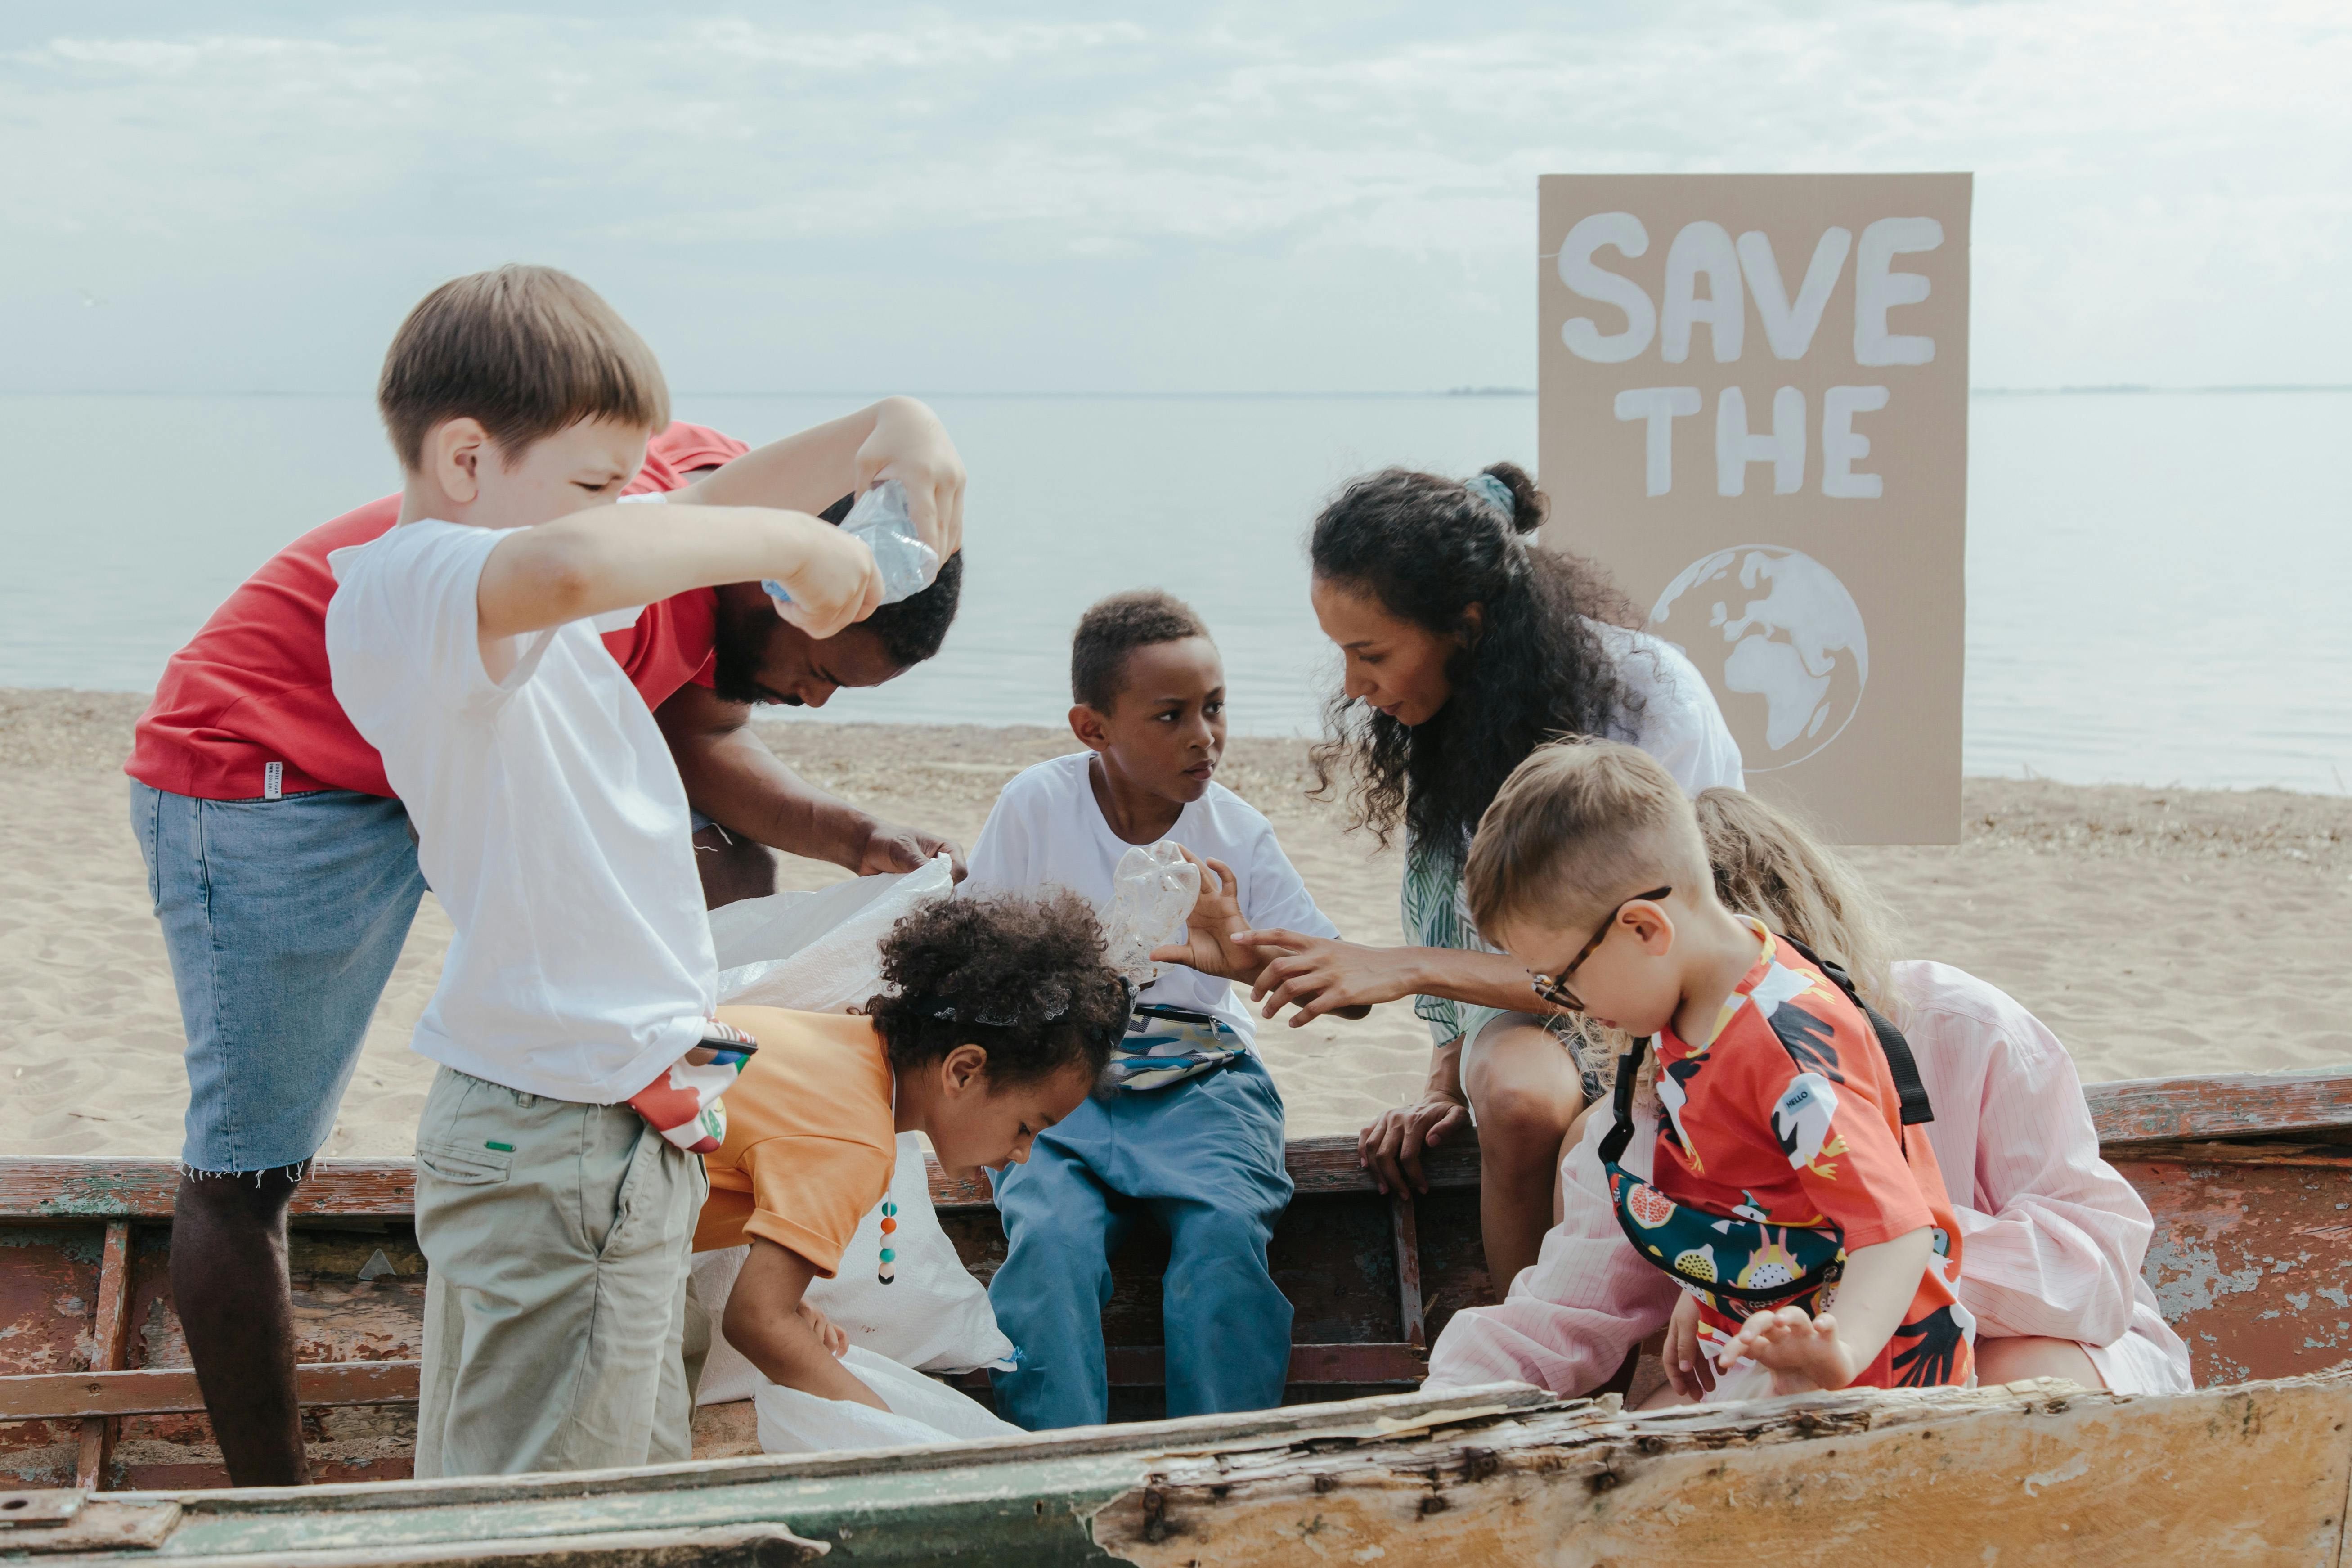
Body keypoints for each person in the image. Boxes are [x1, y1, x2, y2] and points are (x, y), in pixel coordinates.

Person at [127, 349, 967, 1483]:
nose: (807, 698)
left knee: (733, 868)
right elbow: (589, 568)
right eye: (815, 665)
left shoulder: (700, 534)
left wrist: (850, 833)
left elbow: (698, 731)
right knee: (249, 1167)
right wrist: (804, 544)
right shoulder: (564, 557)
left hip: (479, 839)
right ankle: (276, 1502)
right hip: (277, 769)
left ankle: (658, 1134)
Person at [320, 264, 903, 1475]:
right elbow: (584, 559)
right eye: (595, 482)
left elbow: (673, 517)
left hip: (609, 1128)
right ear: (467, 460)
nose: (622, 509)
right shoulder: (414, 586)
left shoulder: (521, 615)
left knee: (617, 1493)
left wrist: (887, 438)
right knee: (545, 1516)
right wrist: (792, 542)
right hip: (557, 1136)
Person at [1426, 785, 2193, 1399]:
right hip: (1807, 1380)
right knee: (1667, 1450)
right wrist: (1429, 1413)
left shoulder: (1962, 1029)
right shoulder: (1649, 1102)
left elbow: (2094, 1276)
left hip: (2051, 1354)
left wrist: (1817, 1261)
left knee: (2024, 1388)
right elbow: (1559, 1315)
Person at [1230, 463, 1743, 1290]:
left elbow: (1659, 961)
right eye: (1342, 657)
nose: (1356, 689)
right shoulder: (1450, 716)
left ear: (1465, 624)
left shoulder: (1653, 703)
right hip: (1543, 1008)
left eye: (1371, 654)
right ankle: (1525, 1354)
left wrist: (1406, 971)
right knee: (1514, 1098)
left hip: (1685, 1010)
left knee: (1603, 1135)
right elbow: (1444, 912)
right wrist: (1444, 1082)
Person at [1449, 740, 1974, 1398]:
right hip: (1775, 1344)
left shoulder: (1785, 1049)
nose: (1566, 1005)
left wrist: (1840, 1351)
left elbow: (1897, 1231)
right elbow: (1760, 1184)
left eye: (1563, 979)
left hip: (1870, 1382)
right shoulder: (1694, 1004)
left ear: (1644, 929)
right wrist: (1711, 1288)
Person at [963, 591, 1369, 1428]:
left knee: (1222, 1242)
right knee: (1049, 1244)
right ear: (1093, 729)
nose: (1204, 736)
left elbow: (1345, 991)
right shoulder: (1036, 806)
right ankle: (1055, 1473)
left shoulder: (1236, 833)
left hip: (1204, 1081)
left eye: (1215, 708)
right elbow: (979, 962)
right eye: (1171, 715)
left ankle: (1219, 1462)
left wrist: (1243, 949)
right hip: (1059, 1087)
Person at [699, 893, 1127, 1409]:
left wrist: (787, 1299)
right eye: (1025, 1127)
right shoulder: (855, 1139)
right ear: (963, 1071)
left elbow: (748, 1146)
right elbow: (754, 1321)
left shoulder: (840, 1039)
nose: (1022, 1154)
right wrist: (895, 1439)